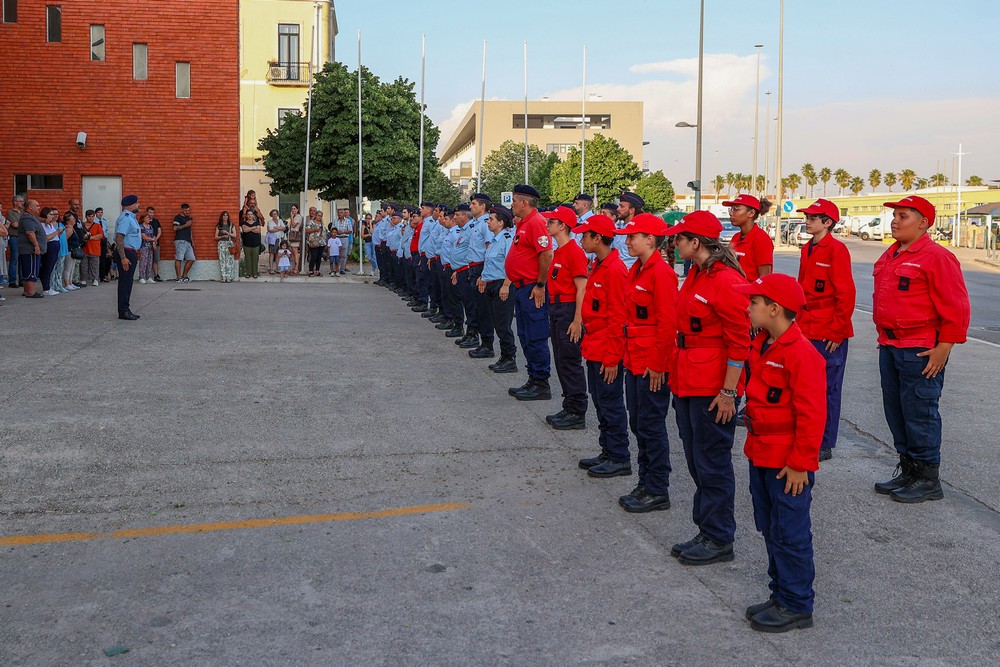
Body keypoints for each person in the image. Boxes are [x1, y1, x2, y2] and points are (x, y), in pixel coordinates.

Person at [731, 273, 825, 633]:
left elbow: (813, 415)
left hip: (788, 462)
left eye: (754, 302)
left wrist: (801, 463)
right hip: (762, 452)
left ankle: (797, 604)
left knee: (790, 531)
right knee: (770, 527)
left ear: (774, 309)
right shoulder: (764, 344)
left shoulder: (801, 354)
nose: (748, 307)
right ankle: (780, 593)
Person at [665, 210, 750, 565]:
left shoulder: (726, 281)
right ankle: (707, 528)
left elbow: (740, 341)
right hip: (688, 378)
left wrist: (729, 393)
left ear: (695, 242)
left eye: (679, 238)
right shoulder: (699, 274)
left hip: (713, 385)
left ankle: (719, 537)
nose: (673, 243)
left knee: (712, 462)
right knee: (696, 459)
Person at [872, 195, 970, 503]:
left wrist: (945, 347)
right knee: (897, 411)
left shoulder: (936, 257)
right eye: (895, 216)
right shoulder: (891, 254)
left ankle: (928, 479)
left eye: (903, 216)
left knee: (920, 412)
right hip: (889, 344)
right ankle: (910, 469)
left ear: (923, 223)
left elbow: (957, 306)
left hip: (920, 348)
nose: (895, 221)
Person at [613, 213, 678, 512]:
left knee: (651, 426)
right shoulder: (637, 269)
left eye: (632, 236)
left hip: (651, 364)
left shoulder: (660, 273)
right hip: (634, 359)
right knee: (639, 423)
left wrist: (658, 364)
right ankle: (645, 481)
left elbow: (667, 325)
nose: (627, 241)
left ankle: (657, 488)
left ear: (649, 239)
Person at [795, 199, 856, 461]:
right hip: (806, 328)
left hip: (828, 331)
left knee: (828, 389)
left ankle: (824, 442)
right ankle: (808, 435)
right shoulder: (808, 248)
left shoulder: (836, 250)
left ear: (827, 222)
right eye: (807, 216)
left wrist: (837, 331)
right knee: (806, 388)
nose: (807, 221)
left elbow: (846, 294)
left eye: (813, 217)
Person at [574, 213, 631, 478]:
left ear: (598, 239)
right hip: (594, 345)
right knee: (600, 401)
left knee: (610, 403)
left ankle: (619, 456)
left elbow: (619, 319)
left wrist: (611, 358)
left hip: (607, 349)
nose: (582, 239)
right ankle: (608, 449)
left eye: (586, 235)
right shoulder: (598, 264)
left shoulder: (615, 270)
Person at [541, 205, 589, 430]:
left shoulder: (573, 251)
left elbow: (582, 288)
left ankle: (577, 410)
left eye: (552, 222)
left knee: (570, 360)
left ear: (562, 226)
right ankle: (569, 405)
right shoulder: (559, 251)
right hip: (557, 307)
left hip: (569, 309)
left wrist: (577, 319)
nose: (548, 225)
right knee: (561, 358)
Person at [505, 185, 554, 401]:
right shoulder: (524, 223)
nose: (512, 204)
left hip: (532, 288)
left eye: (514, 200)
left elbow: (546, 254)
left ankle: (541, 382)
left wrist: (540, 284)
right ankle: (533, 378)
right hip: (522, 286)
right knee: (525, 334)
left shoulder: (536, 222)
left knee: (536, 335)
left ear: (524, 202)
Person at [477, 204, 517, 369]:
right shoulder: (494, 241)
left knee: (503, 325)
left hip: (503, 285)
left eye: (491, 219)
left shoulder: (507, 239)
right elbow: (491, 263)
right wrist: (483, 277)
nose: (488, 222)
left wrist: (506, 285)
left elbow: (512, 264)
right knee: (496, 322)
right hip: (491, 285)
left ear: (501, 223)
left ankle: (510, 358)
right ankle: (503, 356)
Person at [725, 193, 774, 281]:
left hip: (750, 294)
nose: (731, 213)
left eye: (736, 209)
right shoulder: (735, 238)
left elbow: (765, 279)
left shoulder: (761, 240)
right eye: (731, 209)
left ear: (751, 213)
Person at [115, 195, 142, 320]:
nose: (139, 205)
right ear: (130, 205)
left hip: (130, 252)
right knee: (125, 283)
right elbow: (119, 239)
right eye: (136, 203)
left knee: (128, 282)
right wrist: (123, 258)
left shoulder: (131, 217)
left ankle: (125, 309)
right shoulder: (126, 218)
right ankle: (123, 311)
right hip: (126, 252)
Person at [17, 200, 45, 298]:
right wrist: (36, 246)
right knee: (30, 270)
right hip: (29, 249)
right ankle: (30, 291)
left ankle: (27, 290)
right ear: (30, 207)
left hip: (30, 249)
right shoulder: (27, 218)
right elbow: (30, 232)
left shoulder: (32, 217)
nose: (39, 207)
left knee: (30, 269)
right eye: (36, 206)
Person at [614, 193, 644, 270]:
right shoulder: (621, 227)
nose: (618, 209)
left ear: (631, 210)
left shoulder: (638, 229)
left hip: (630, 271)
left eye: (622, 206)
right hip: (618, 271)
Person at [39, 207, 61, 296]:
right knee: (47, 268)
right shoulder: (42, 225)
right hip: (49, 247)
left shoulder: (50, 224)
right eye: (51, 214)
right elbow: (46, 238)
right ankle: (46, 288)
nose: (53, 216)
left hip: (55, 246)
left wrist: (58, 234)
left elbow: (54, 236)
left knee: (51, 268)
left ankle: (48, 286)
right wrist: (56, 232)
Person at [173, 203, 196, 282]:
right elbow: (175, 228)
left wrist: (192, 241)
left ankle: (184, 276)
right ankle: (178, 277)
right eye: (186, 210)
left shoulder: (188, 218)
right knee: (179, 258)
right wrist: (185, 225)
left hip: (188, 241)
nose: (187, 212)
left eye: (188, 210)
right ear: (182, 209)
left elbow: (190, 231)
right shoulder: (177, 217)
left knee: (192, 259)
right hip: (180, 240)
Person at [6, 194, 25, 287]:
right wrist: (24, 225)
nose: (22, 203)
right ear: (15, 202)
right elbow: (15, 224)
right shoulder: (11, 212)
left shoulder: (22, 213)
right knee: (14, 259)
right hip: (14, 237)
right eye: (21, 201)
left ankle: (22, 279)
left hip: (22, 238)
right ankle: (12, 280)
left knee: (21, 259)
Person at [81, 210, 104, 286]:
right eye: (89, 216)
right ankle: (83, 279)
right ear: (86, 216)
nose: (90, 218)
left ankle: (95, 279)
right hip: (84, 248)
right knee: (83, 265)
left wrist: (90, 237)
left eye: (92, 216)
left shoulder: (97, 225)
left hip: (95, 248)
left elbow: (101, 235)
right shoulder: (82, 225)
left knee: (95, 265)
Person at [215, 211, 237, 283]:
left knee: (229, 261)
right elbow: (216, 237)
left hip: (229, 244)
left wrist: (227, 233)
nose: (225, 217)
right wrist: (222, 236)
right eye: (224, 215)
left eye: (226, 215)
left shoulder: (231, 225)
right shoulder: (219, 225)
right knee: (222, 260)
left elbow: (234, 235)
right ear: (221, 217)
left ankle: (229, 277)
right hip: (221, 244)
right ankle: (223, 277)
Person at [145, 206, 163, 281]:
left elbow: (159, 231)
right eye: (150, 212)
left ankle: (156, 275)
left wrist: (156, 239)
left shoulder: (156, 221)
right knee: (146, 259)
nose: (152, 214)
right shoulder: (144, 221)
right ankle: (144, 275)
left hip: (156, 243)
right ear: (147, 213)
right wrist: (151, 240)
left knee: (155, 259)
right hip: (146, 244)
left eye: (153, 212)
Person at [265, 209, 286, 275]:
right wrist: (279, 228)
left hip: (280, 239)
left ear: (277, 214)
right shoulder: (270, 222)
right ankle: (271, 269)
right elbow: (270, 230)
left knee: (278, 254)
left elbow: (284, 228)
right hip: (273, 240)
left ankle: (277, 268)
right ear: (271, 215)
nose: (275, 215)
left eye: (276, 214)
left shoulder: (280, 220)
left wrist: (276, 227)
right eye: (273, 214)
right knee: (272, 254)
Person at [305, 211, 325, 276]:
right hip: (313, 241)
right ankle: (311, 270)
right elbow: (307, 230)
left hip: (321, 242)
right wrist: (315, 230)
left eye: (321, 216)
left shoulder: (322, 223)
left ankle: (317, 270)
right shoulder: (311, 222)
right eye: (319, 215)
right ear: (315, 215)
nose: (320, 217)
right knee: (314, 256)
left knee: (319, 257)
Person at [138, 212, 156, 283]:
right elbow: (144, 236)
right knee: (143, 261)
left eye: (149, 218)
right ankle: (142, 277)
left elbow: (153, 235)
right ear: (143, 219)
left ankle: (149, 277)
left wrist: (154, 242)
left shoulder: (150, 227)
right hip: (144, 246)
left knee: (150, 261)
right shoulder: (141, 226)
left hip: (150, 246)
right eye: (147, 218)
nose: (149, 219)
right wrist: (152, 239)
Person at [287, 204, 302, 275]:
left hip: (295, 235)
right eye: (292, 209)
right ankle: (293, 267)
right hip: (290, 235)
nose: (293, 210)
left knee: (295, 252)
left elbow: (293, 225)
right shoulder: (293, 217)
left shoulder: (298, 217)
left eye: (294, 209)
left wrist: (292, 218)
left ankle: (296, 268)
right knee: (292, 252)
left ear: (297, 210)